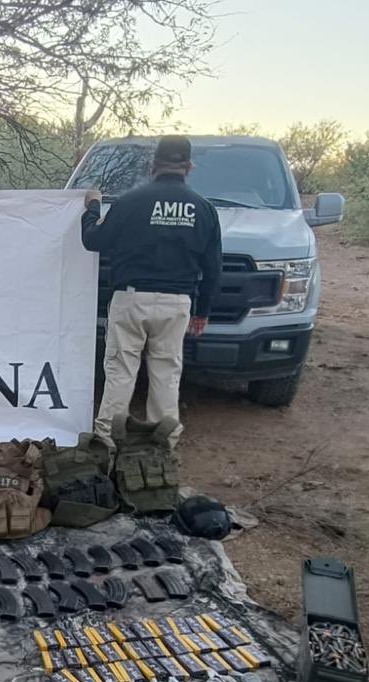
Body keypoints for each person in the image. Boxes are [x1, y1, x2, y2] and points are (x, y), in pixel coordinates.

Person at [80, 134, 222, 447]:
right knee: (166, 374)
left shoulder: (130, 202)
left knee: (120, 371)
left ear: (153, 164)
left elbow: (93, 240)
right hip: (177, 303)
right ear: (189, 167)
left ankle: (107, 443)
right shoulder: (204, 209)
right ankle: (163, 446)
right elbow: (213, 267)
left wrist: (92, 207)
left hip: (131, 300)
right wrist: (203, 311)